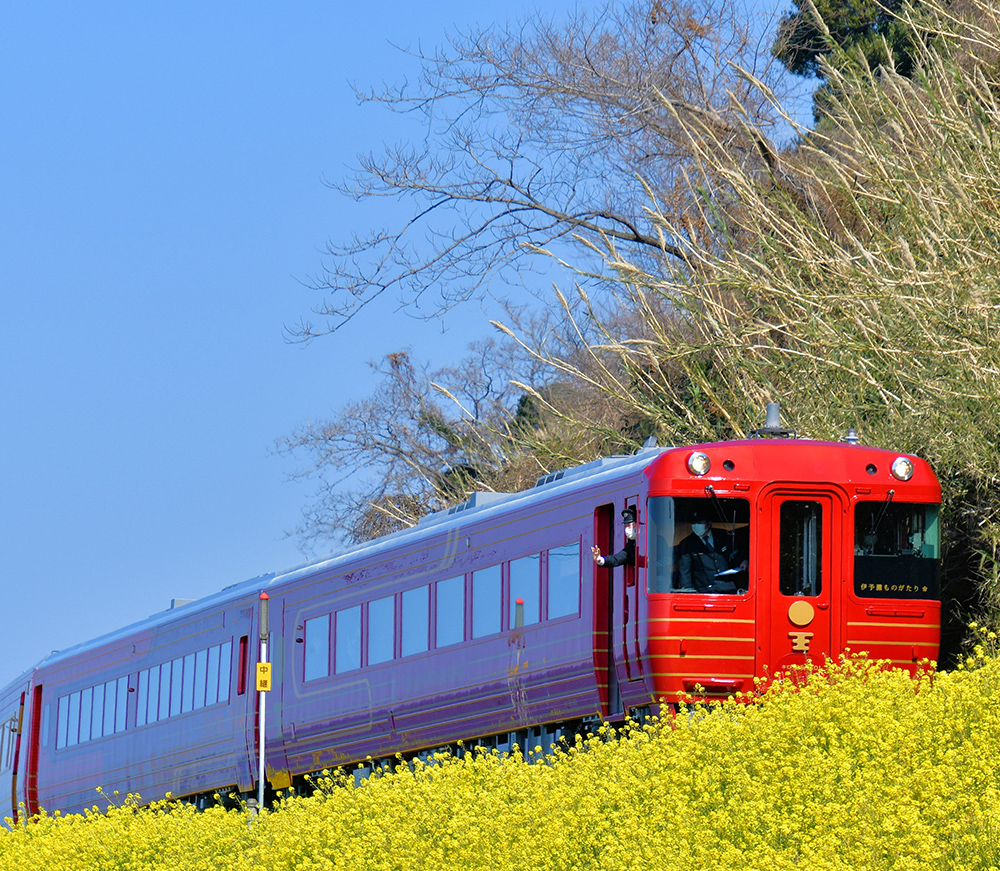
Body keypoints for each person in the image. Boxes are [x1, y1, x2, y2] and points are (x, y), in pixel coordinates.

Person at [676, 509, 746, 593]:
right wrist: (687, 591)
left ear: (708, 524)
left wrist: (743, 561)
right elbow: (685, 571)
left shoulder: (723, 535)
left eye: (699, 522)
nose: (695, 526)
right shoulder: (687, 543)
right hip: (704, 590)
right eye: (693, 523)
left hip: (727, 586)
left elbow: (734, 552)